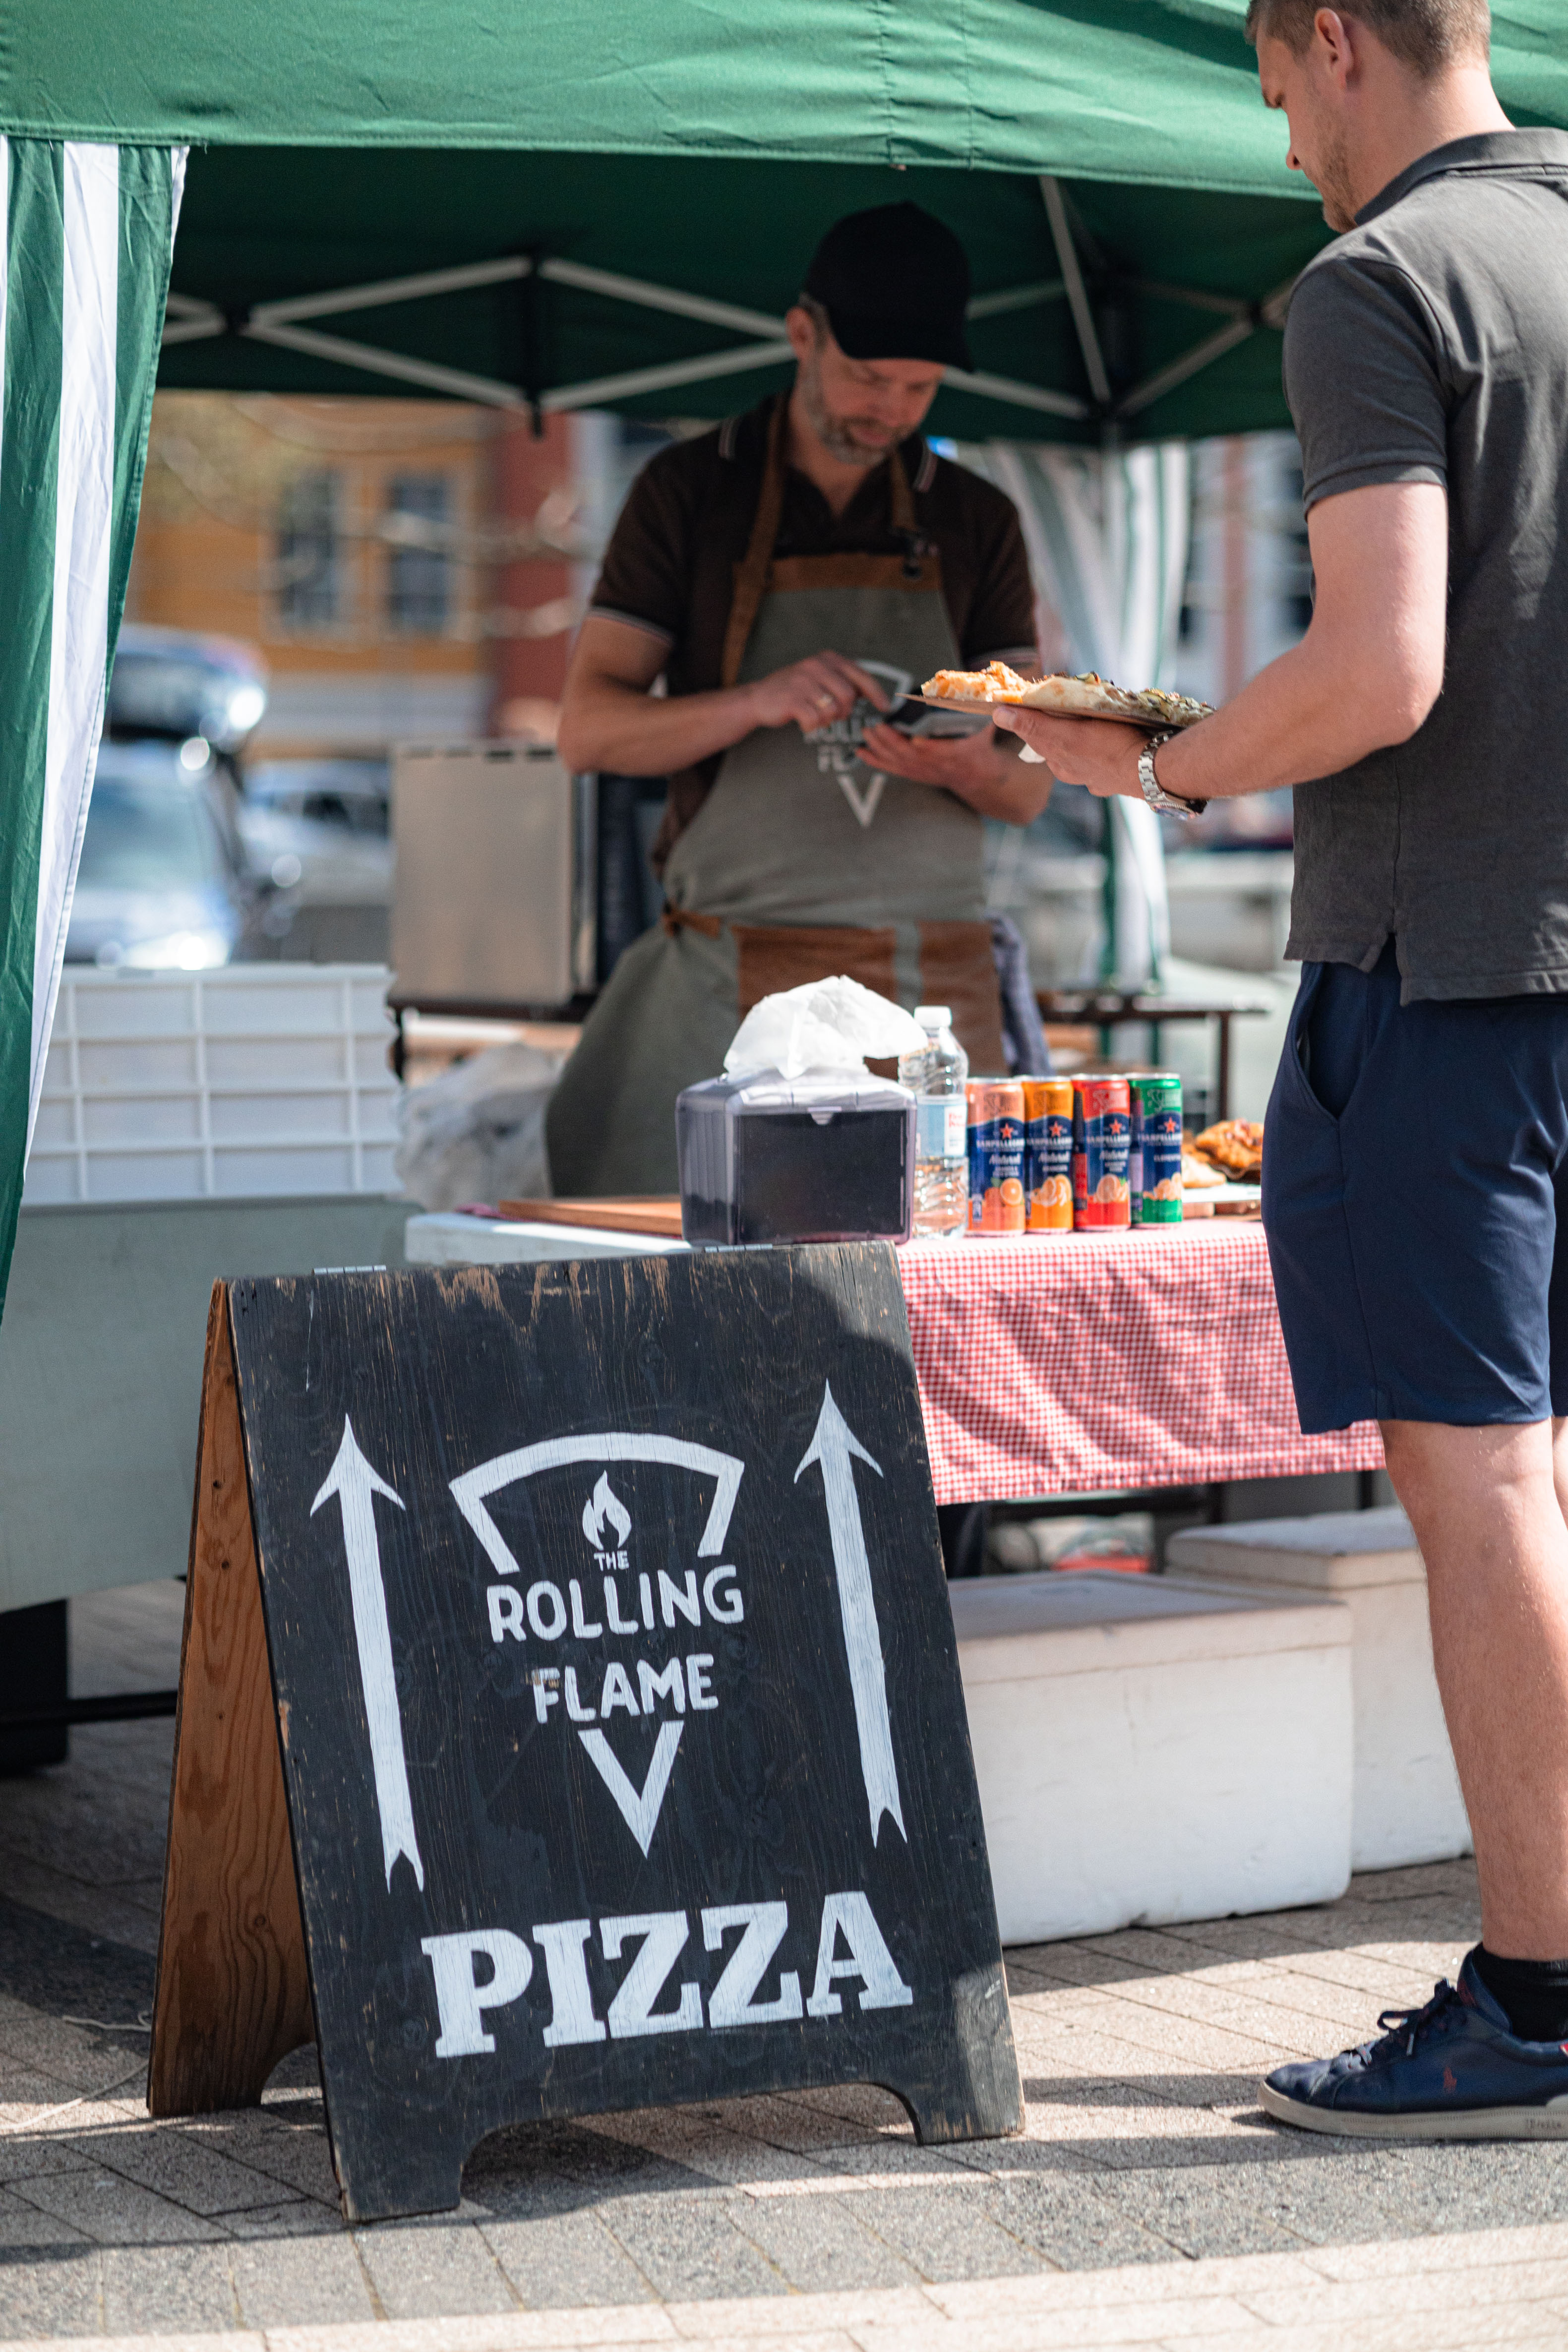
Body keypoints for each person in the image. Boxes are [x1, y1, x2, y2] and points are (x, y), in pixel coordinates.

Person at [997, 0, 1568, 2135]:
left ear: (1330, 39)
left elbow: (1379, 664)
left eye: (1273, 99)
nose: (1287, 154)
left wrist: (1158, 766)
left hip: (1450, 976)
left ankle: (1538, 1996)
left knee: (1483, 1483)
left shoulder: (1378, 279)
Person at [548, 203, 1051, 1195]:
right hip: (736, 993)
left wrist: (966, 766)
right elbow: (587, 731)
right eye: (866, 376)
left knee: (940, 1252)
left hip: (930, 998)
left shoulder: (977, 519)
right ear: (801, 334)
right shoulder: (690, 492)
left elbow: (1031, 785)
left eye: (918, 387)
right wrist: (754, 702)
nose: (890, 409)